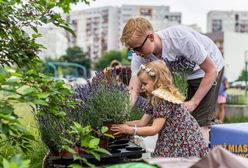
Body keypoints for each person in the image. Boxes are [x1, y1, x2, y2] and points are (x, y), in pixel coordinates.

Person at [120, 17, 224, 142]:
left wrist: (193, 103)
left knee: (200, 121)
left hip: (210, 68)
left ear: (151, 37)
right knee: (186, 119)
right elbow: (133, 89)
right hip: (188, 74)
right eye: (132, 50)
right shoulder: (140, 57)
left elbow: (211, 71)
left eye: (138, 48)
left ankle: (200, 158)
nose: (136, 53)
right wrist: (122, 114)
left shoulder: (180, 39)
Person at [111, 60, 209, 157]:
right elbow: (142, 122)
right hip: (173, 136)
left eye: (145, 84)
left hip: (183, 139)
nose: (143, 88)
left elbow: (154, 129)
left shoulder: (162, 99)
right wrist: (123, 125)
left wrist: (129, 130)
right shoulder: (154, 98)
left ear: (157, 81)